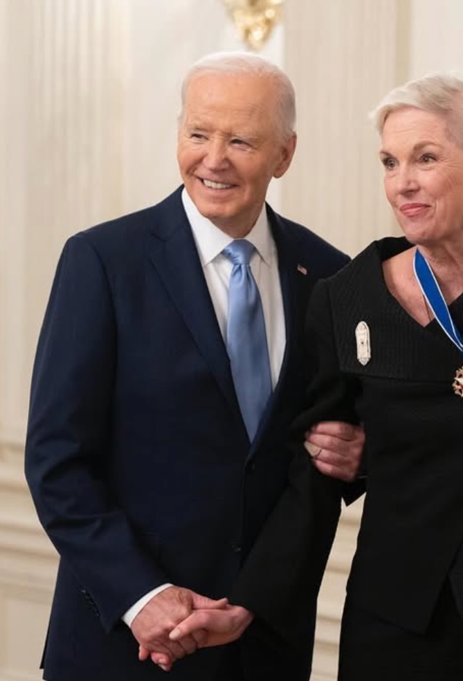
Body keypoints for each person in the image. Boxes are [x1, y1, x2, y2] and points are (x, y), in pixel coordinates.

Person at [169, 74, 463, 680]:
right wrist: (250, 601)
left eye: (426, 158)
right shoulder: (348, 296)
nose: (403, 182)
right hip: (395, 618)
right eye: (389, 161)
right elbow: (314, 474)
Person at [23, 52, 361, 681]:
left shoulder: (332, 278)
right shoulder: (102, 261)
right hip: (124, 645)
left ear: (284, 155)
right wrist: (143, 598)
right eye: (198, 134)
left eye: (240, 140)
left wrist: (357, 453)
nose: (214, 159)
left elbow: (321, 459)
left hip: (261, 647)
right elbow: (56, 460)